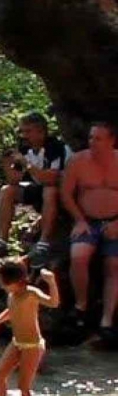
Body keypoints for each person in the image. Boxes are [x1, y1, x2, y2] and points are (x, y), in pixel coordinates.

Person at [0, 113, 69, 266]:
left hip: (60, 194)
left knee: (50, 190)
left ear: (41, 132)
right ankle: (1, 240)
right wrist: (7, 164)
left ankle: (43, 244)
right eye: (22, 131)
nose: (24, 135)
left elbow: (50, 179)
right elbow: (14, 180)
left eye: (28, 131)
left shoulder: (55, 147)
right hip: (37, 190)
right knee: (7, 190)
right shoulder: (25, 148)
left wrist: (27, 164)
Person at [60, 121, 118, 341]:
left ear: (111, 140)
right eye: (91, 138)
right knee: (79, 256)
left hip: (115, 221)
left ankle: (107, 320)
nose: (93, 142)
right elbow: (66, 193)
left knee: (114, 265)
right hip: (87, 220)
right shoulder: (78, 161)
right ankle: (81, 306)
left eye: (98, 138)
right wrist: (79, 220)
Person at [0, 257, 59, 396]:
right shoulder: (12, 295)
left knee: (23, 385)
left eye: (1, 282)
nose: (0, 285)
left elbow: (53, 303)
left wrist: (51, 282)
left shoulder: (31, 293)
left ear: (14, 281)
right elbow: (12, 310)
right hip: (16, 342)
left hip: (32, 345)